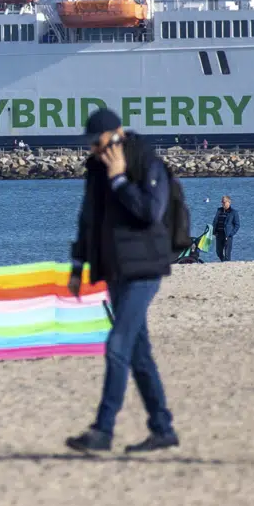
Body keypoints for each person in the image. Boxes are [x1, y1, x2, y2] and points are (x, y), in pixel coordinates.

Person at [65, 107, 180, 455]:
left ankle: (103, 429)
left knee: (117, 345)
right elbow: (88, 221)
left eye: (97, 142)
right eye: (91, 145)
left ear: (116, 134)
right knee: (139, 353)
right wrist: (77, 266)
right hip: (114, 270)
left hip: (144, 269)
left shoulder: (145, 161)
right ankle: (162, 428)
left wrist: (119, 180)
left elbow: (150, 212)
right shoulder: (95, 171)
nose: (94, 150)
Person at [211, 196, 239, 261]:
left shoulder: (233, 212)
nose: (222, 203)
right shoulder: (219, 210)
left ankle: (227, 264)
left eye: (224, 202)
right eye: (222, 202)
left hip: (227, 236)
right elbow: (215, 221)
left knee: (227, 253)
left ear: (229, 202)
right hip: (218, 234)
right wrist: (213, 231)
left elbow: (237, 225)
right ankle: (223, 262)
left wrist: (231, 234)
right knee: (218, 252)